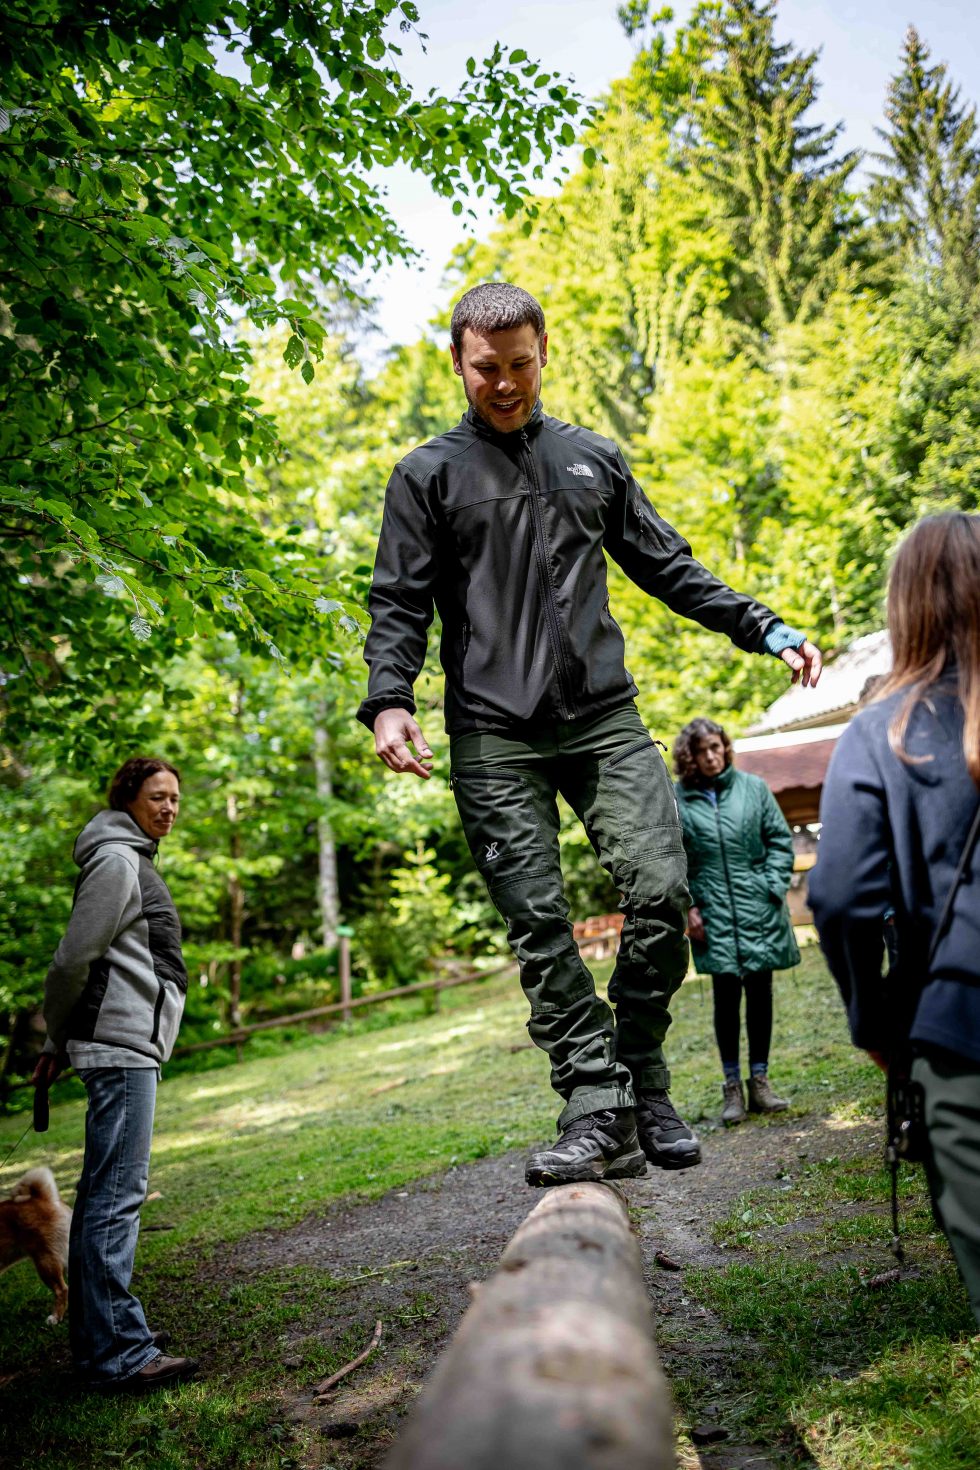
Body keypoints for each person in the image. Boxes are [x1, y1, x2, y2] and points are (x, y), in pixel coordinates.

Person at [357, 281, 822, 1187]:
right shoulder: (428, 476)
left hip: (604, 720)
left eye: (521, 364)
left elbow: (668, 565)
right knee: (539, 924)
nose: (505, 384)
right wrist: (389, 698)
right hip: (493, 732)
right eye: (486, 368)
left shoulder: (590, 459)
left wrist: (762, 625)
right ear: (456, 362)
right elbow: (398, 603)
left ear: (544, 354)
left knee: (661, 891)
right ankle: (595, 1103)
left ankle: (640, 1070)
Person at [809, 512, 980, 1325]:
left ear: (903, 605)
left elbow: (840, 898)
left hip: (961, 1033)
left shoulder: (882, 734)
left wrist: (873, 1021)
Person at [31, 757, 198, 1391]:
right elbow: (73, 960)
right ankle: (114, 1355)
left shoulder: (131, 856)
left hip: (127, 1046)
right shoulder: (117, 860)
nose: (169, 808)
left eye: (176, 798)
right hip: (120, 1047)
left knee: (110, 1196)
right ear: (127, 798)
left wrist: (56, 1040)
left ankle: (111, 1331)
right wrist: (55, 1032)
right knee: (112, 1200)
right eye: (157, 796)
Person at [673, 717, 800, 1125]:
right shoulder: (678, 799)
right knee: (726, 997)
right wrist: (688, 906)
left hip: (757, 905)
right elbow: (676, 860)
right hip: (711, 913)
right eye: (702, 751)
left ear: (725, 747)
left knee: (760, 991)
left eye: (716, 747)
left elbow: (780, 841)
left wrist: (771, 885)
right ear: (688, 757)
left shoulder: (754, 789)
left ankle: (760, 1080)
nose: (711, 756)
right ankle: (731, 1087)